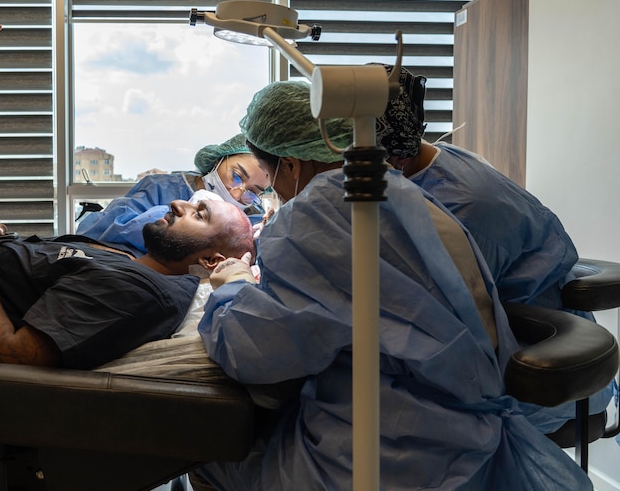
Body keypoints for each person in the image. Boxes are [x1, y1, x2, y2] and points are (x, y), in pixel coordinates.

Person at [193, 81, 592, 490]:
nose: (271, 193)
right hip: (466, 438)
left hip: (389, 453)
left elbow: (257, 353)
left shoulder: (313, 219)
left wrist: (232, 285)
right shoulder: (406, 192)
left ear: (291, 164)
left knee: (209, 456)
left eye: (268, 180)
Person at [0, 156, 255, 374]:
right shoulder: (128, 259)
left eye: (199, 215)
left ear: (211, 260)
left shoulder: (141, 293)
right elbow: (30, 279)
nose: (178, 203)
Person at [375, 64, 612, 433]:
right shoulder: (441, 160)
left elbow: (445, 320)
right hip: (526, 335)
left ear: (393, 158)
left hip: (533, 370)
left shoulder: (462, 210)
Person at [76, 133, 270, 256]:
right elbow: (93, 231)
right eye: (236, 176)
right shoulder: (160, 188)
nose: (237, 193)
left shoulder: (252, 218)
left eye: (252, 192)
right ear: (218, 160)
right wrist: (172, 219)